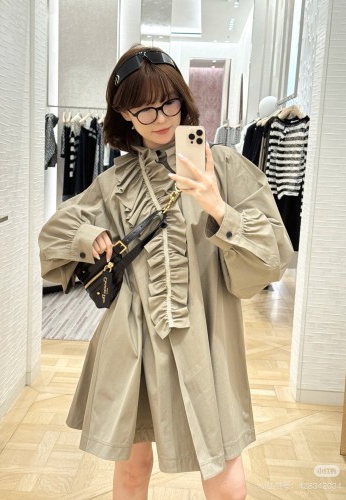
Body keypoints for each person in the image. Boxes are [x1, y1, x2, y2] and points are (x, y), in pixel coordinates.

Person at [38, 44, 294, 500]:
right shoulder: (114, 183)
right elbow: (54, 232)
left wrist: (218, 207)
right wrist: (88, 236)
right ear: (125, 115)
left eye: (168, 102)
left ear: (183, 99)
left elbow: (274, 253)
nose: (160, 118)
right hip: (133, 342)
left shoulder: (224, 166)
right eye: (144, 108)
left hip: (208, 336)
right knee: (133, 469)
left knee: (226, 477)